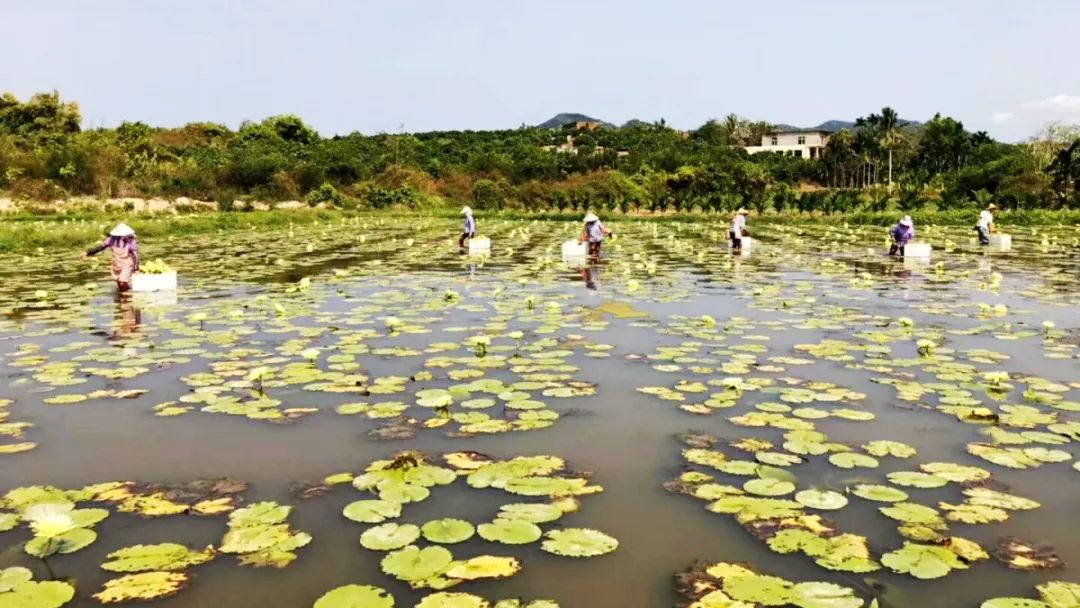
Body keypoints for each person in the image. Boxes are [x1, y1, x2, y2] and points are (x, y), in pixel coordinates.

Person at [81, 223, 139, 291]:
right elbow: (100, 247)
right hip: (117, 263)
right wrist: (87, 252)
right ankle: (122, 297)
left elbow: (135, 255)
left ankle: (127, 297)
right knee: (119, 284)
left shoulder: (131, 240)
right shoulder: (111, 239)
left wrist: (136, 268)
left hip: (127, 263)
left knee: (122, 282)